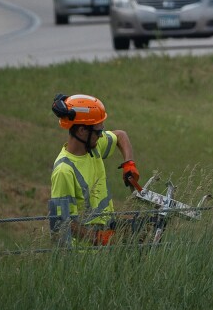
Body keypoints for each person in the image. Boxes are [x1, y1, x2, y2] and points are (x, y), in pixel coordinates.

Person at [49, 93, 143, 245]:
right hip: (83, 257)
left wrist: (129, 163)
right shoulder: (64, 170)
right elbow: (62, 222)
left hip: (104, 250)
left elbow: (120, 136)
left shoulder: (94, 147)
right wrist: (99, 238)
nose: (101, 136)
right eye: (98, 131)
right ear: (81, 131)